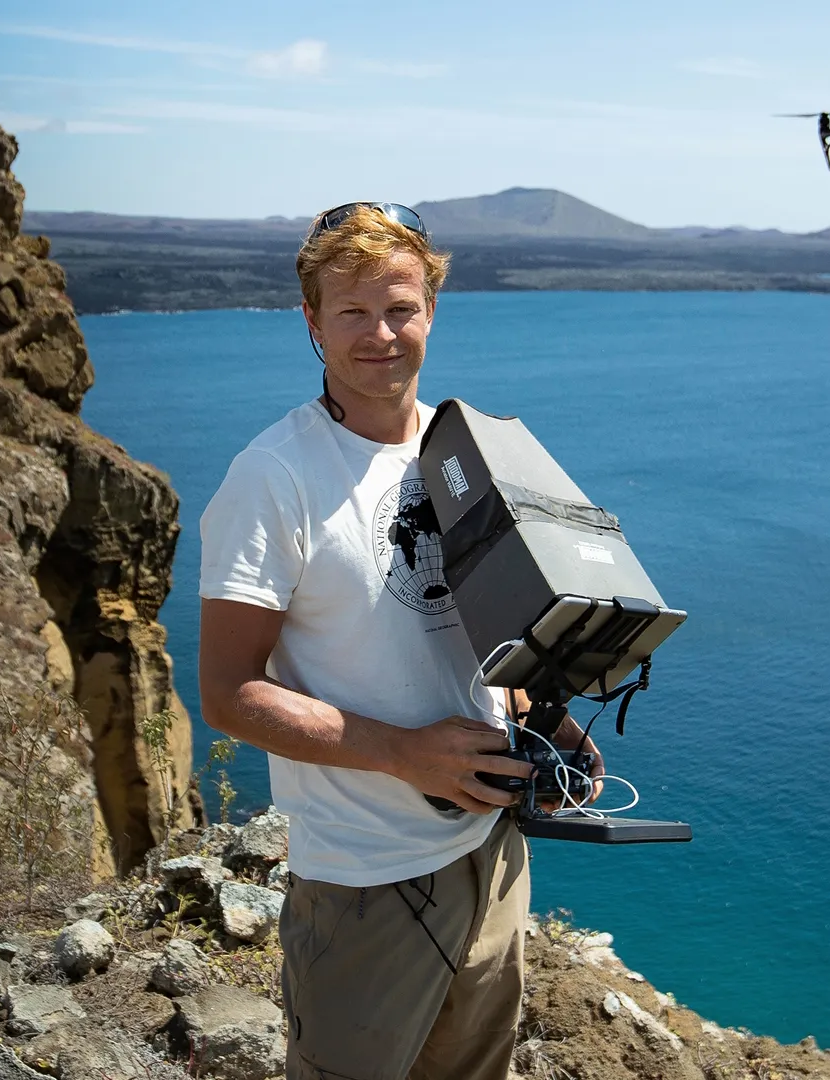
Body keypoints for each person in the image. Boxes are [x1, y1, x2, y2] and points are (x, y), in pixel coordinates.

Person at [193, 202, 602, 1080]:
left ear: (432, 310)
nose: (380, 334)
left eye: (401, 308)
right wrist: (404, 754)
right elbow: (227, 693)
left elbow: (473, 634)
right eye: (351, 313)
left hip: (491, 854)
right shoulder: (274, 477)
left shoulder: (467, 452)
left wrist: (541, 717)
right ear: (312, 323)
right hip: (364, 880)